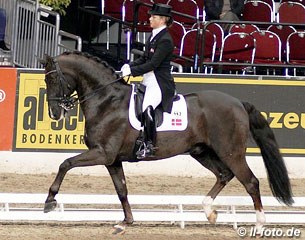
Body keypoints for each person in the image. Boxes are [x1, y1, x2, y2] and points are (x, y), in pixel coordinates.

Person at [121, 3, 176, 159]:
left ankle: (149, 145)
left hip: (159, 82)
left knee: (147, 106)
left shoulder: (165, 40)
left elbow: (153, 64)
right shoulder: (153, 36)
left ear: (163, 19)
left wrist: (132, 71)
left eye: (154, 17)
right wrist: (129, 65)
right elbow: (145, 58)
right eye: (151, 16)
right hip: (148, 79)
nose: (150, 18)